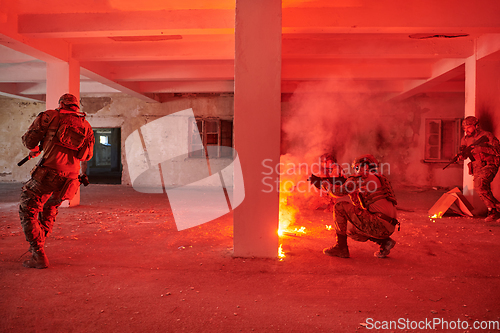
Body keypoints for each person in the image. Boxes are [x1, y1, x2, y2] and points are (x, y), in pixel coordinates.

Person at [19, 93, 95, 269]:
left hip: (47, 176)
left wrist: (35, 148)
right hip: (70, 180)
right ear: (76, 106)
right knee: (50, 209)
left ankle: (38, 253)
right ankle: (38, 248)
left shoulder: (50, 116)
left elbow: (28, 140)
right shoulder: (86, 125)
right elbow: (88, 156)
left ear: (61, 104)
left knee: (27, 209)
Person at [322, 154, 399, 258]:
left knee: (339, 207)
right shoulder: (380, 178)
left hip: (379, 223)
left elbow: (339, 192)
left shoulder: (363, 176)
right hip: (389, 226)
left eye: (357, 167)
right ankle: (384, 242)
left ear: (365, 167)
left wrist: (326, 186)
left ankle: (341, 247)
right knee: (350, 227)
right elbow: (362, 209)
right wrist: (354, 195)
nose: (356, 171)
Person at [460, 116, 500, 222]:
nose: (466, 130)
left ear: (476, 126)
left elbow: (498, 151)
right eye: (464, 128)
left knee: (480, 184)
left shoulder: (487, 135)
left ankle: (494, 210)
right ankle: (493, 211)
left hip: (490, 163)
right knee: (480, 189)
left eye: (468, 127)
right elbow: (464, 155)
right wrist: (461, 156)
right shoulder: (465, 139)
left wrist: (480, 149)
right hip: (477, 166)